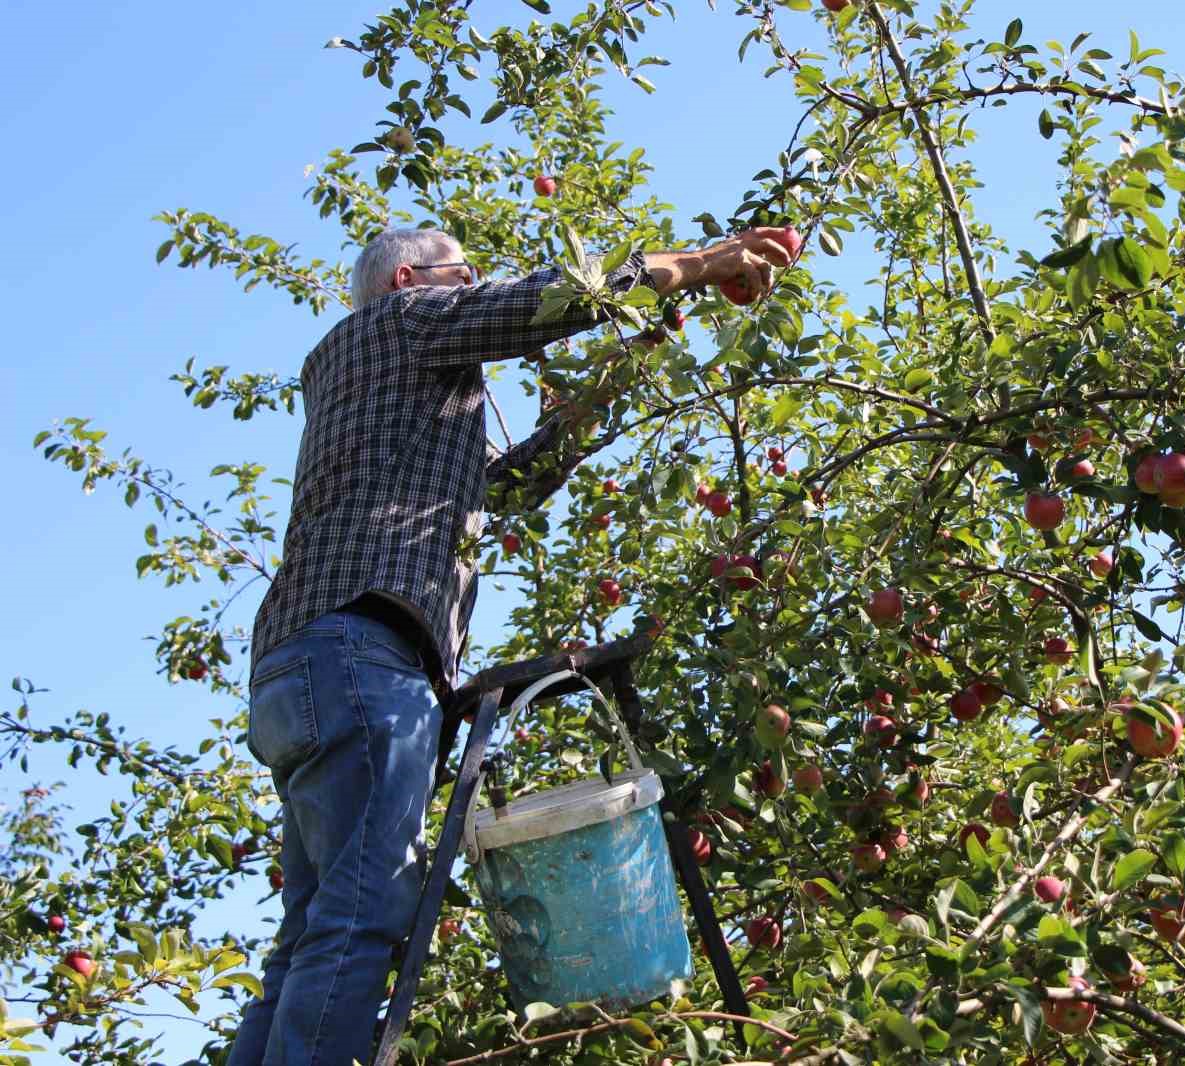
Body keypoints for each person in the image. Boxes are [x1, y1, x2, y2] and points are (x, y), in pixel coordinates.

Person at [225, 223, 796, 1066]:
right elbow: (547, 302)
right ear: (412, 280)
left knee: (312, 935)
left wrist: (622, 370)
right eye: (467, 273)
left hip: (301, 670)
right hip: (362, 660)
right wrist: (705, 263)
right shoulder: (404, 322)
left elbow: (501, 487)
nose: (478, 283)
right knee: (360, 920)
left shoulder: (388, 392)